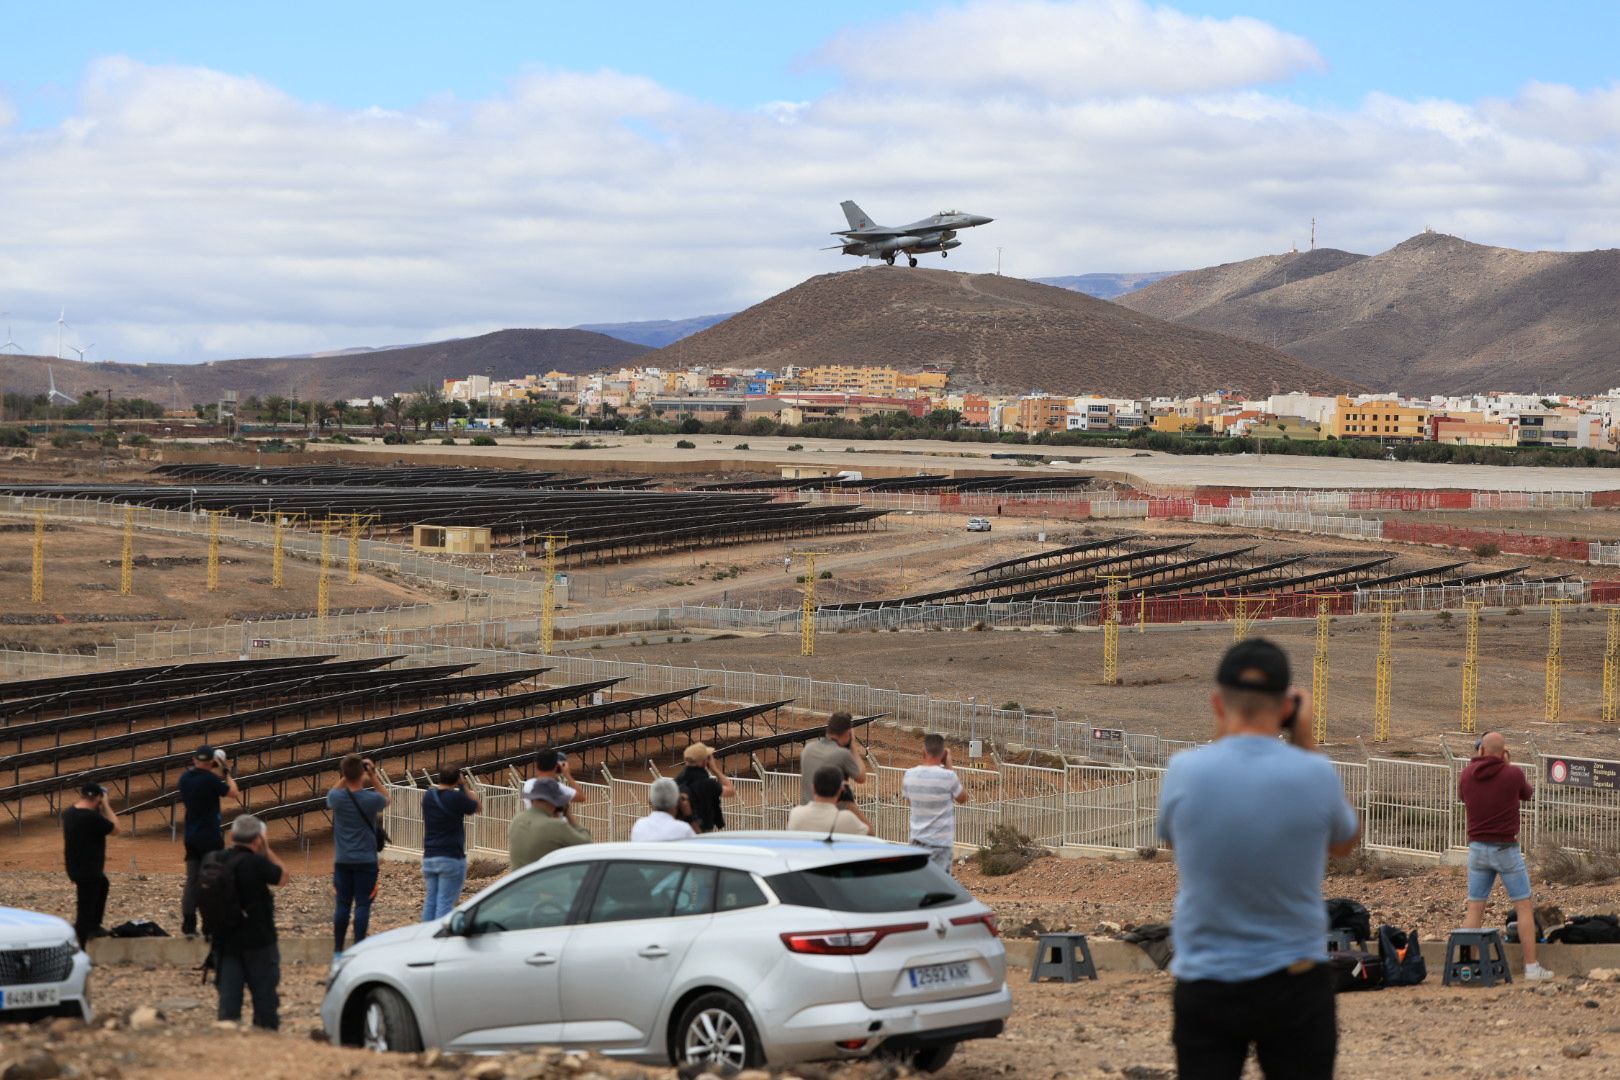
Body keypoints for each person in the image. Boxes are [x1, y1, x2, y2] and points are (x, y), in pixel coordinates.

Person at [1156, 639, 1362, 1080]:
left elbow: (1178, 841)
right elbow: (1346, 841)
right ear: (1288, 704)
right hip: (1295, 981)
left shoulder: (1183, 772)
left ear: (1217, 703)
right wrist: (1304, 741)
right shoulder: (1315, 773)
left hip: (1206, 981)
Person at [1459, 731, 1553, 980]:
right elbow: (1527, 793)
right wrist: (1506, 765)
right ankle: (1531, 967)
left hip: (1477, 848)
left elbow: (1462, 796)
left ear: (1480, 750)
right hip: (1505, 849)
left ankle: (1470, 965)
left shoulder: (1467, 774)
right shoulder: (1512, 773)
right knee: (1523, 906)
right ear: (1503, 752)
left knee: (1475, 907)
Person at [212, 814, 288, 1031]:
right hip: (258, 941)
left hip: (225, 941)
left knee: (228, 1002)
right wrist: (267, 849)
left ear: (232, 836)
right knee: (264, 999)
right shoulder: (256, 863)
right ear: (257, 840)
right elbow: (283, 877)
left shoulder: (216, 859)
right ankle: (264, 1038)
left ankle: (227, 1041)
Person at [325, 754, 389, 956]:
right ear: (362, 774)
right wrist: (373, 775)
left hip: (343, 860)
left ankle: (337, 951)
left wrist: (346, 775)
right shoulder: (371, 800)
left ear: (344, 774)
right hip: (366, 861)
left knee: (342, 905)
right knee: (362, 904)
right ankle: (358, 949)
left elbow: (330, 794)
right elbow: (387, 798)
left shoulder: (337, 799)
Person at [178, 745, 239, 939]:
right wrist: (226, 771)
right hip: (211, 838)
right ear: (212, 761)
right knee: (210, 882)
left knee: (192, 881)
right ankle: (209, 927)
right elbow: (234, 792)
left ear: (194, 759)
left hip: (191, 837)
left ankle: (188, 926)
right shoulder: (212, 780)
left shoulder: (185, 779)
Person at [62, 783, 118, 947]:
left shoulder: (70, 813)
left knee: (103, 884)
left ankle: (94, 927)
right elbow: (115, 829)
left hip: (76, 866)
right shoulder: (91, 817)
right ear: (98, 797)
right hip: (89, 869)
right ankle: (81, 947)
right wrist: (106, 805)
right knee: (85, 909)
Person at [420, 767, 480, 922]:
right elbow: (477, 807)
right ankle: (441, 939)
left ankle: (426, 937)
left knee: (431, 901)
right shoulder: (457, 798)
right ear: (456, 779)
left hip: (429, 857)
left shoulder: (428, 797)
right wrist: (463, 785)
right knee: (445, 903)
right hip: (450, 857)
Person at [901, 735, 967, 872]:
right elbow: (962, 798)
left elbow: (910, 801)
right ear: (943, 754)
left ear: (923, 752)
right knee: (939, 890)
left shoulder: (909, 775)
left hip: (917, 843)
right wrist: (949, 766)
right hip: (941, 845)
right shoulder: (948, 777)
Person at [798, 712, 869, 829]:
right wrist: (853, 747)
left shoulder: (808, 749)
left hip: (807, 817)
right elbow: (861, 777)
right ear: (848, 734)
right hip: (832, 821)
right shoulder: (842, 754)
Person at [509, 779, 592, 868]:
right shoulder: (556, 826)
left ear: (532, 800)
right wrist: (569, 816)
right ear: (555, 803)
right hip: (546, 880)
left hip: (520, 879)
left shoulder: (516, 820)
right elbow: (586, 843)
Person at [787, 766, 870, 835]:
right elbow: (871, 834)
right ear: (840, 790)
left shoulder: (796, 814)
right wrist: (851, 804)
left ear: (813, 788)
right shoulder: (846, 819)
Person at [674, 742, 735, 833]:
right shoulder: (708, 784)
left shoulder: (676, 782)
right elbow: (731, 791)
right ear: (705, 762)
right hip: (702, 832)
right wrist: (715, 770)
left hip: (680, 831)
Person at [630, 778, 696, 841]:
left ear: (650, 801)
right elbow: (700, 842)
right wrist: (689, 817)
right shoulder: (683, 829)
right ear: (678, 802)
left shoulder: (639, 825)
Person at [521, 748, 583, 813]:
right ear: (556, 767)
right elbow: (581, 797)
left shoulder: (528, 784)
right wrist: (567, 775)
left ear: (537, 765)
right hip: (555, 822)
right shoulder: (557, 787)